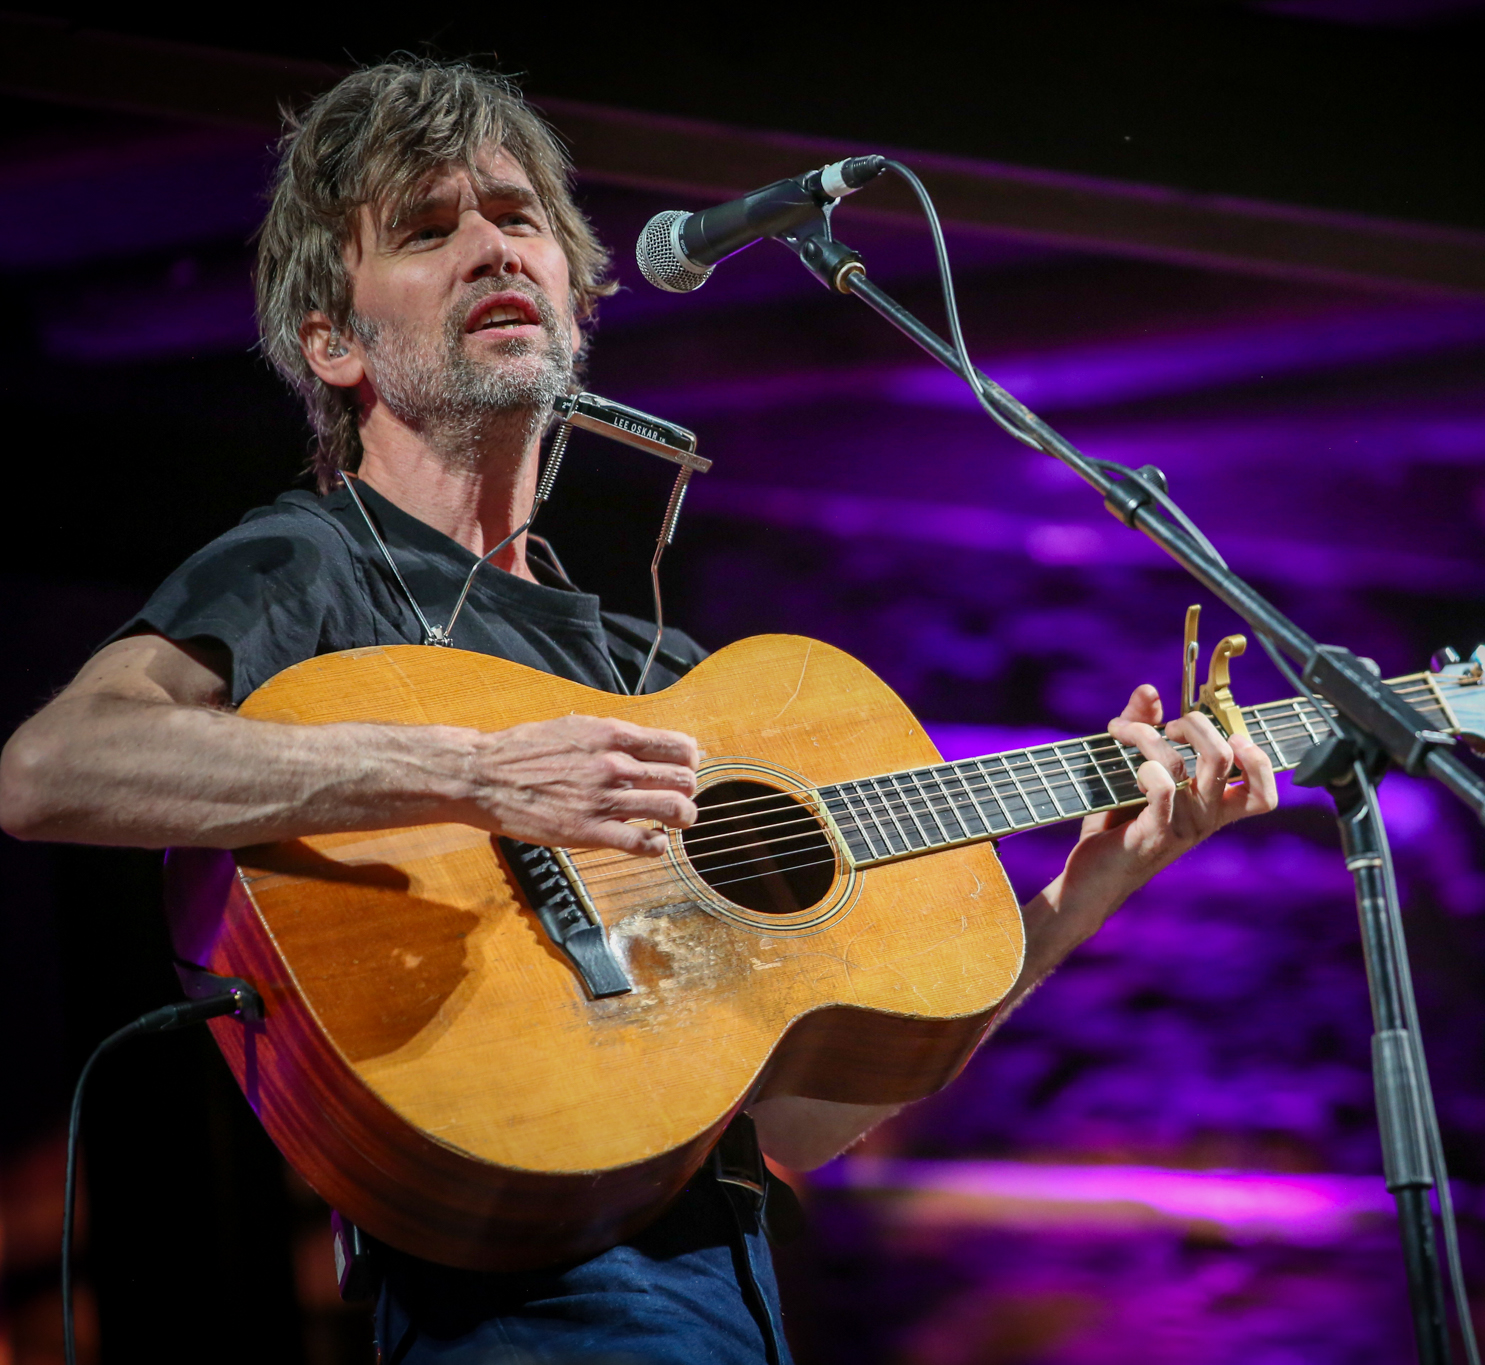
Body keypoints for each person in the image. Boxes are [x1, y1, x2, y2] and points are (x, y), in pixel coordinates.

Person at [0, 59, 1277, 1364]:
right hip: (506, 1314)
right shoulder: (306, 562)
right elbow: (53, 766)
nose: (492, 246)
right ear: (336, 342)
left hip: (727, 1310)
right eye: (429, 230)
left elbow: (787, 1129)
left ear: (576, 295)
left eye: (519, 218)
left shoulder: (656, 662)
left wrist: (1080, 897)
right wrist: (481, 776)